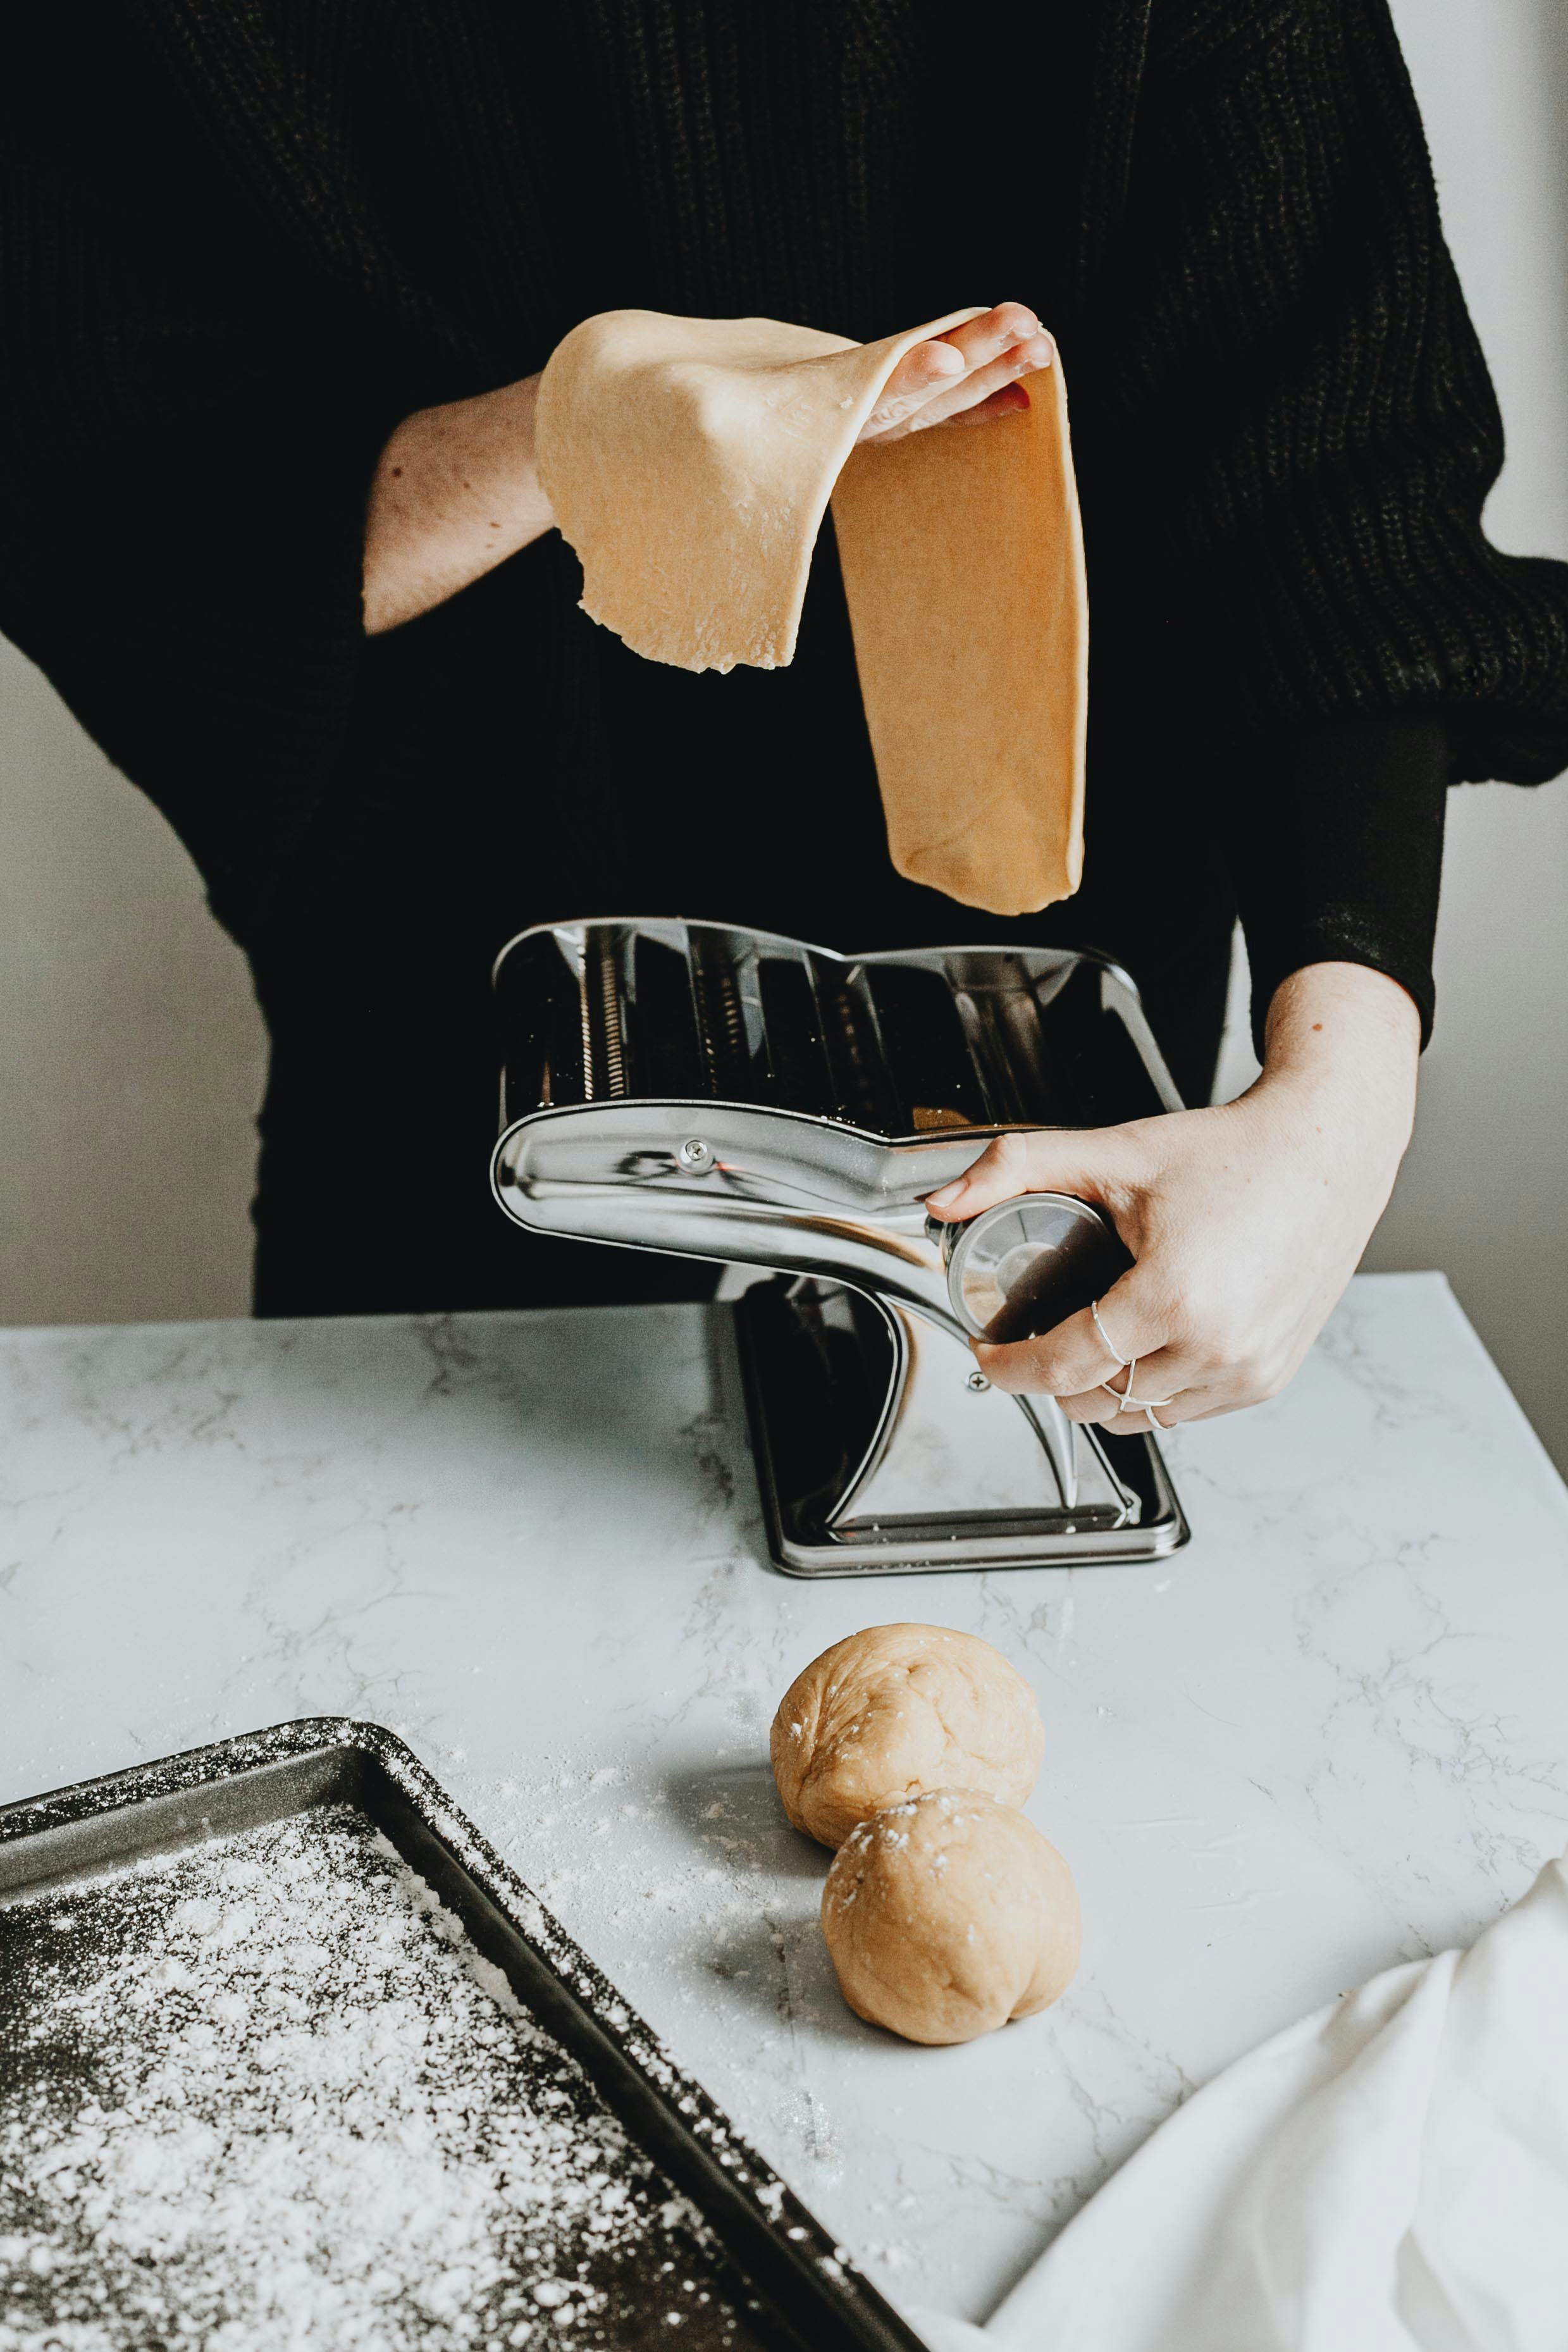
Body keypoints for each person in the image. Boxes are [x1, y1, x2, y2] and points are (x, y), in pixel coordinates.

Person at [4, 1, 1566, 1438]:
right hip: (453, 1079)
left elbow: (1337, 520)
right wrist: (562, 435)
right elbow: (112, 522)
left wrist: (1336, 1108)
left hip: (1063, 1123)